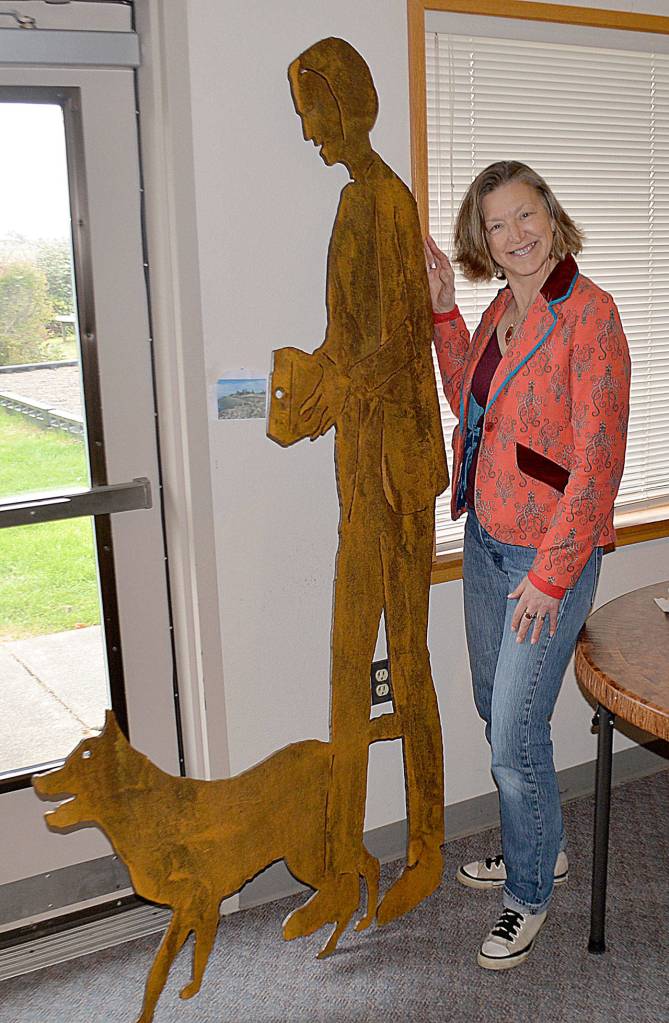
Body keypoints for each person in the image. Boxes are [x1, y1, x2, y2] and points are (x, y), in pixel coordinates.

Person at [426, 160, 630, 970]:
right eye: (496, 224)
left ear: (549, 213)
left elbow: (597, 462)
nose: (514, 235)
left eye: (525, 215)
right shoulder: (497, 311)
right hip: (485, 539)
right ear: (481, 238)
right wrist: (444, 311)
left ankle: (529, 892)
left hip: (548, 556)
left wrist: (549, 575)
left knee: (512, 736)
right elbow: (470, 405)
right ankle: (539, 843)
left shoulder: (590, 314)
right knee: (495, 707)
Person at [279, 37, 449, 942]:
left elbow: (398, 344)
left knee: (408, 663)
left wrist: (335, 386)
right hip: (358, 475)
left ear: (345, 103)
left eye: (312, 110)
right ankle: (345, 862)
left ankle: (425, 846)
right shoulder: (353, 203)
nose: (308, 131)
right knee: (348, 666)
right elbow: (350, 341)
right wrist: (309, 389)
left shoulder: (385, 200)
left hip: (398, 475)